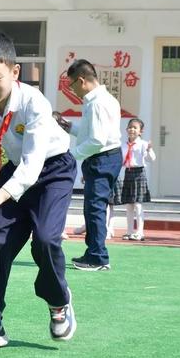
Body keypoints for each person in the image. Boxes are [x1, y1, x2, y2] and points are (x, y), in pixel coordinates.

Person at [0, 31, 77, 350]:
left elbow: (34, 159)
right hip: (15, 171)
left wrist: (3, 193)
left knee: (45, 240)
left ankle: (59, 304)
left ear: (15, 72)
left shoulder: (34, 103)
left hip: (53, 171)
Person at [53, 59, 122, 271]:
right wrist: (68, 126)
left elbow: (97, 140)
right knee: (93, 207)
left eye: (72, 85)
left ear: (81, 80)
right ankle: (93, 252)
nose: (72, 90)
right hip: (105, 157)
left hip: (102, 157)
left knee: (94, 209)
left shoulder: (97, 103)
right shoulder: (101, 99)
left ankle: (98, 257)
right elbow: (91, 131)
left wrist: (71, 155)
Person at [115, 118, 156, 241]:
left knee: (138, 204)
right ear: (126, 129)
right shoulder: (123, 145)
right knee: (128, 205)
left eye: (135, 128)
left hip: (139, 174)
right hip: (128, 173)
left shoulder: (143, 144)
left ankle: (140, 232)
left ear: (140, 131)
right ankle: (129, 231)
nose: (132, 129)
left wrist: (149, 150)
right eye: (130, 127)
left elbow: (152, 158)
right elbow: (120, 160)